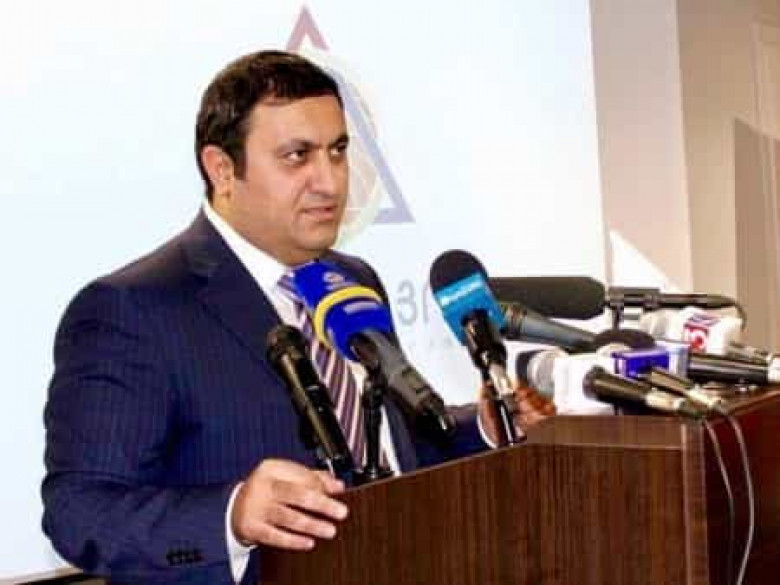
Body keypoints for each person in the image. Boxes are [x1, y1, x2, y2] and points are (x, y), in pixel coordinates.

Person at [42, 50, 551, 585]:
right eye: (297, 156)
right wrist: (232, 515)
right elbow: (79, 510)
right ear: (222, 169)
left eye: (338, 151)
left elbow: (383, 447)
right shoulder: (134, 308)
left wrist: (483, 427)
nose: (330, 182)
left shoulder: (352, 281)